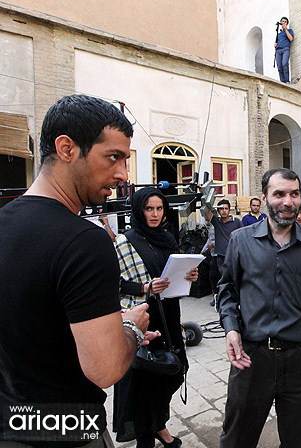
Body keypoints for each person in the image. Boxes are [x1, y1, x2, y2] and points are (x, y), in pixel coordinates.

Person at [0, 94, 154, 447]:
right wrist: (131, 327)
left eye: (126, 160)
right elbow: (105, 369)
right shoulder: (84, 241)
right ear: (67, 148)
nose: (122, 174)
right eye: (113, 157)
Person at [218, 168, 301, 447]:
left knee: (298, 441)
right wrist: (231, 329)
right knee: (237, 439)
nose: (288, 201)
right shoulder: (241, 240)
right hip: (252, 359)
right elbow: (227, 289)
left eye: (294, 194)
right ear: (264, 198)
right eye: (279, 194)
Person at [112, 187, 199, 448]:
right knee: (144, 381)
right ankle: (146, 438)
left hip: (169, 315)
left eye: (159, 208)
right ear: (139, 210)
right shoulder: (125, 242)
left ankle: (158, 424)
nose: (155, 214)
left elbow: (173, 273)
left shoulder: (167, 238)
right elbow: (112, 283)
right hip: (143, 319)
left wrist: (189, 276)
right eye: (149, 208)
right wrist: (144, 287)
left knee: (173, 372)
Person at [211, 199, 243, 277]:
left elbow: (243, 236)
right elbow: (206, 213)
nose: (224, 211)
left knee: (235, 277)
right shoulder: (216, 221)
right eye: (221, 209)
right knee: (223, 277)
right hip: (221, 256)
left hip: (234, 255)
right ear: (218, 211)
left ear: (229, 210)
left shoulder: (237, 222)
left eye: (226, 208)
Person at [274, 17, 294, 84]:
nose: (283, 22)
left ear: (287, 24)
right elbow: (276, 42)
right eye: (282, 21)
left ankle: (287, 80)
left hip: (285, 49)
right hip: (278, 51)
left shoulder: (289, 30)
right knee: (279, 66)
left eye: (285, 22)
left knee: (284, 64)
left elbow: (291, 38)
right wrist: (275, 44)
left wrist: (285, 29)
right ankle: (282, 81)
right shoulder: (279, 34)